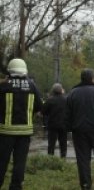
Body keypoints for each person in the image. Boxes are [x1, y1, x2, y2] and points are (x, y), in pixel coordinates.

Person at [0, 58, 42, 190]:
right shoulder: (32, 85)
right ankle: (16, 186)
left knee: (2, 161)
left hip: (5, 132)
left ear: (10, 70)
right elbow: (39, 106)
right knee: (20, 162)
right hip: (24, 132)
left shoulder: (3, 85)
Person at [42, 83, 67, 158]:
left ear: (53, 90)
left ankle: (50, 158)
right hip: (64, 125)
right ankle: (63, 158)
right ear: (61, 90)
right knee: (63, 143)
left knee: (51, 143)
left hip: (52, 125)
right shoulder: (66, 99)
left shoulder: (50, 100)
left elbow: (44, 112)